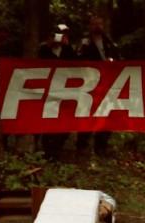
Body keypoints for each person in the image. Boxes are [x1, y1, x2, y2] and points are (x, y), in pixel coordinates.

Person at [76, 15, 120, 157]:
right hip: (89, 84)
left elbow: (117, 56)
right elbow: (79, 58)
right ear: (90, 26)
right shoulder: (85, 41)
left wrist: (111, 61)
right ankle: (82, 145)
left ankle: (101, 146)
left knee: (106, 114)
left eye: (99, 23)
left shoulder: (108, 41)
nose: (97, 26)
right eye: (94, 24)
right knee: (87, 113)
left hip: (107, 84)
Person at [38, 24, 75, 159]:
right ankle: (47, 150)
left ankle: (58, 149)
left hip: (64, 90)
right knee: (48, 121)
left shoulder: (68, 49)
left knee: (65, 122)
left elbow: (76, 64)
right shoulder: (43, 48)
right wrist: (49, 45)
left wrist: (67, 45)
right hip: (47, 91)